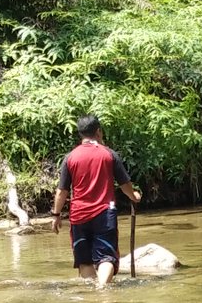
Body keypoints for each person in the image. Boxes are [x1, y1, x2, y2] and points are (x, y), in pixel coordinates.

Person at [51, 115, 141, 288]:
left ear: (80, 134)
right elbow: (125, 185)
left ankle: (94, 298)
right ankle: (102, 291)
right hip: (104, 214)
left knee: (84, 261)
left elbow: (62, 191)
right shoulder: (109, 155)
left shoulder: (70, 158)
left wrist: (56, 215)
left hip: (78, 216)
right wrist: (134, 196)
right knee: (106, 257)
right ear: (98, 131)